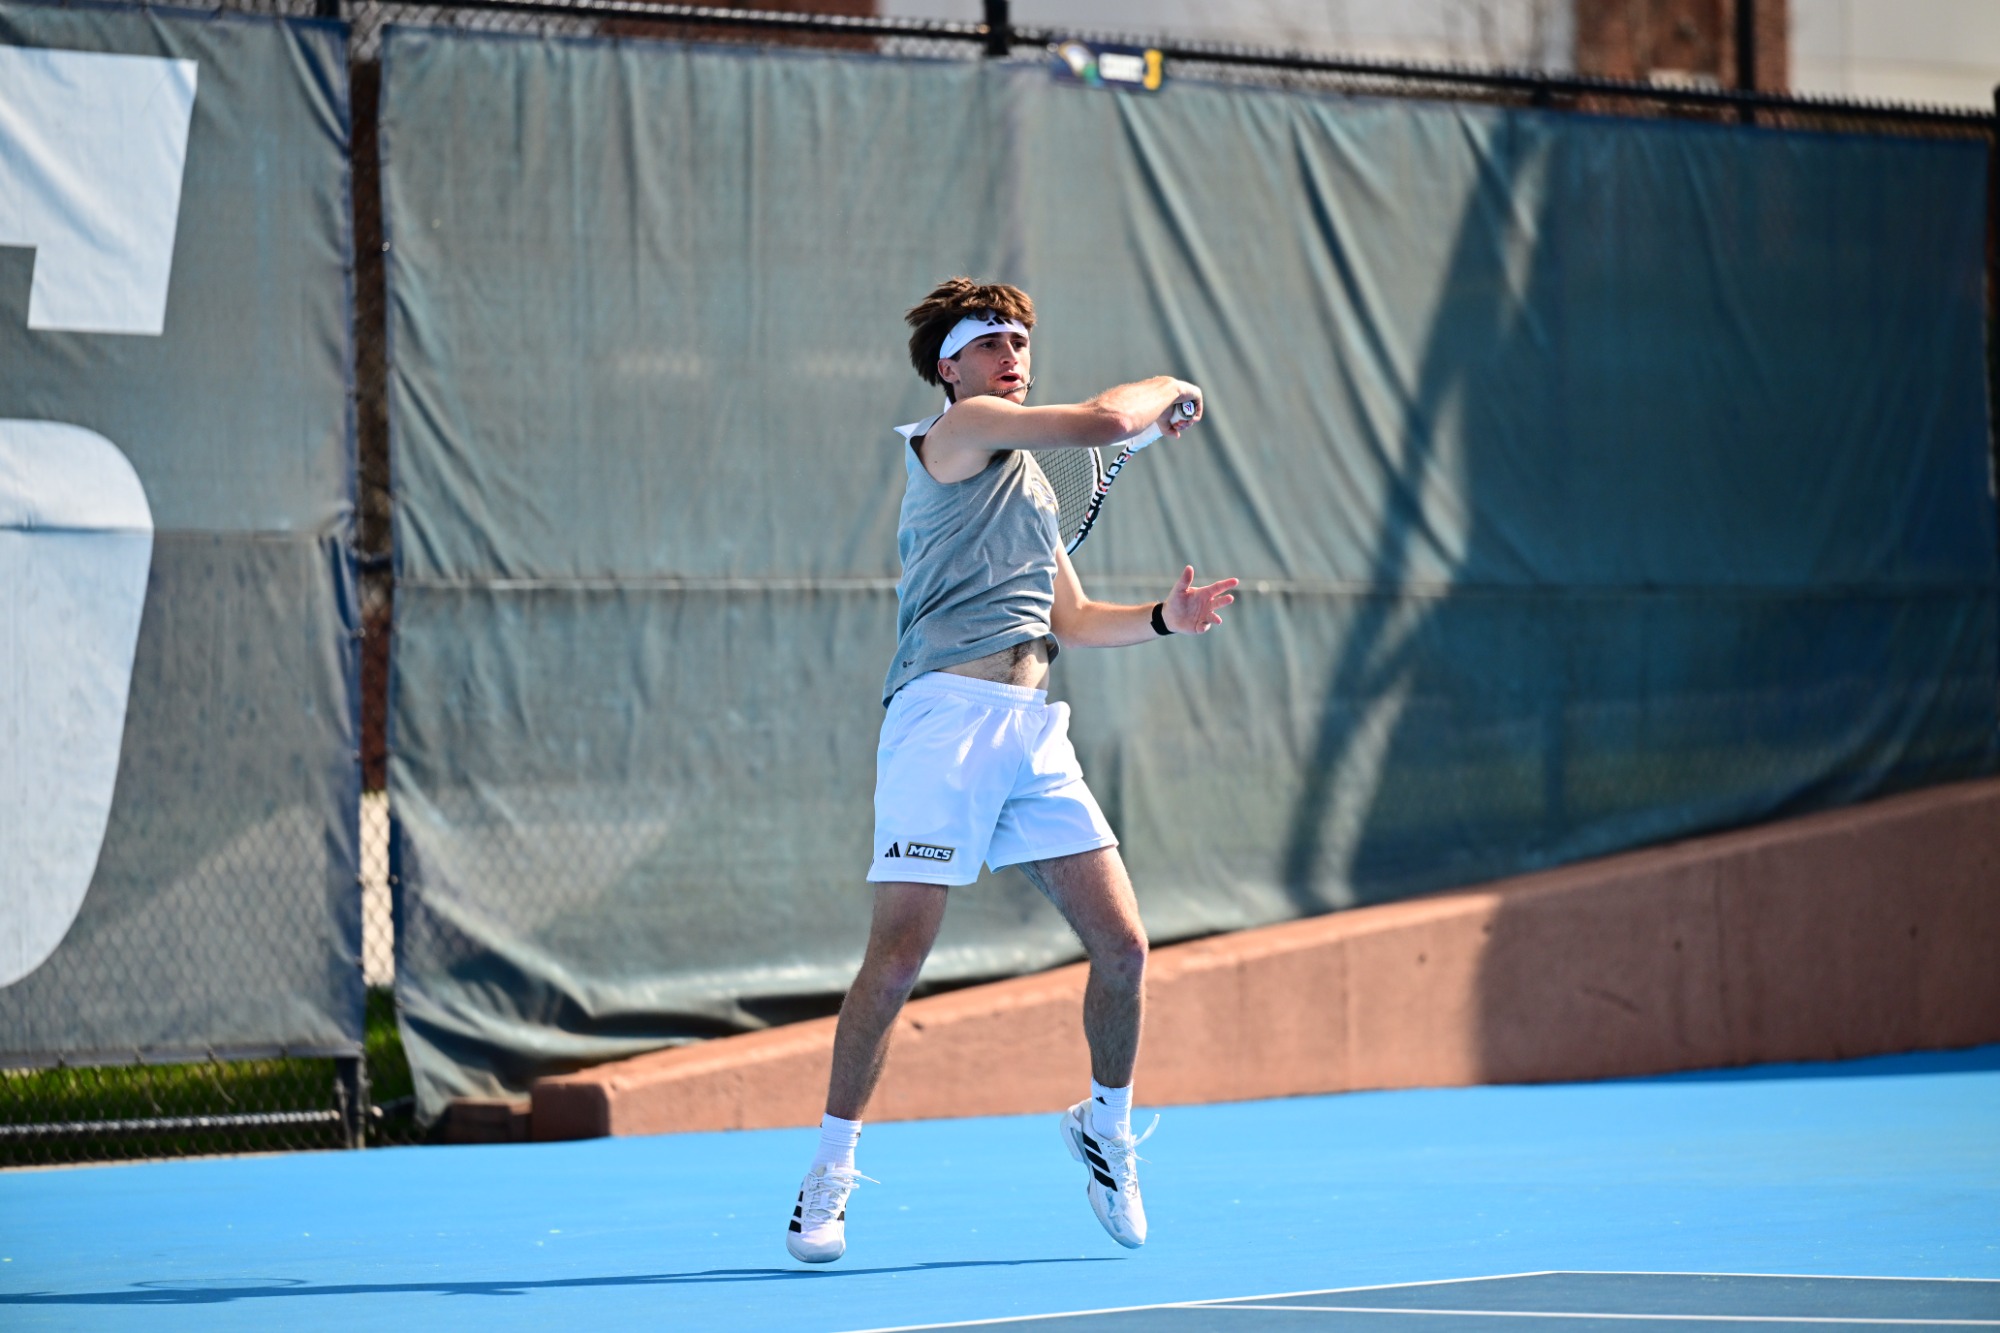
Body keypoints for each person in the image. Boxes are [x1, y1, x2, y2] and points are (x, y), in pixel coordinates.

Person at [785, 277, 1238, 1264]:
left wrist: (1166, 620)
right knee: (897, 957)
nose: (1011, 355)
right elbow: (1107, 419)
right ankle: (828, 1171)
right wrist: (1171, 386)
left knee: (1124, 947)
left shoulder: (1028, 484)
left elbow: (1073, 620)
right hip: (941, 724)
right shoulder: (960, 428)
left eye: (1021, 341)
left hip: (1030, 729)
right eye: (991, 341)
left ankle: (1105, 1127)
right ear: (950, 366)